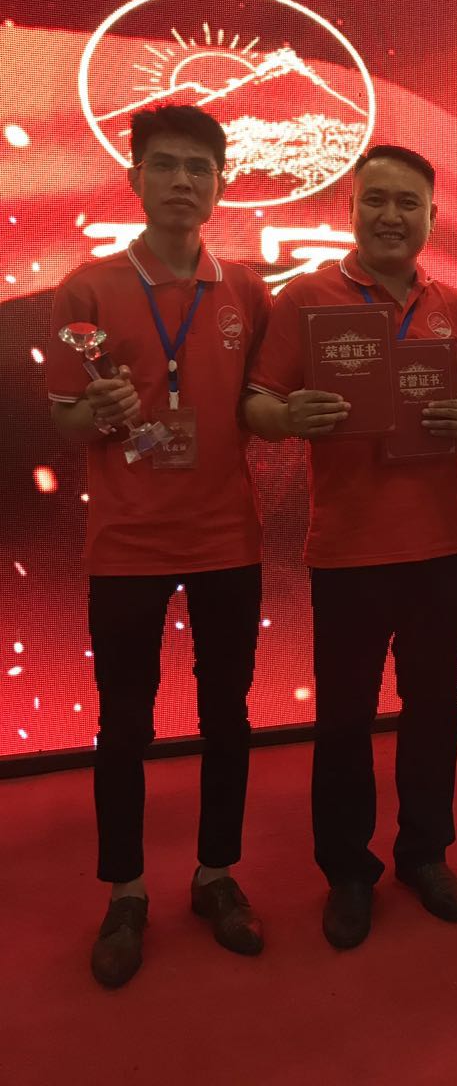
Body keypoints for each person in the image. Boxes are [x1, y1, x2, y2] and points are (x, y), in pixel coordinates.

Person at [46, 104, 271, 988]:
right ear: (135, 178)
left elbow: (257, 401)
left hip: (227, 537)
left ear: (221, 184)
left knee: (228, 715)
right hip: (129, 543)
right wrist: (95, 415)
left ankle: (216, 875)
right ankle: (127, 890)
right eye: (166, 165)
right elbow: (68, 420)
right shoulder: (87, 290)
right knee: (124, 724)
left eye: (199, 168)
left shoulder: (246, 290)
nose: (183, 181)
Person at [244, 145, 457, 949]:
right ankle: (348, 871)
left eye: (408, 203)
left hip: (441, 546)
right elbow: (257, 403)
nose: (390, 216)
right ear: (350, 209)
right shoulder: (307, 298)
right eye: (376, 200)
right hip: (347, 550)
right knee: (345, 719)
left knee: (435, 711)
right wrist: (288, 416)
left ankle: (425, 854)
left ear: (431, 218)